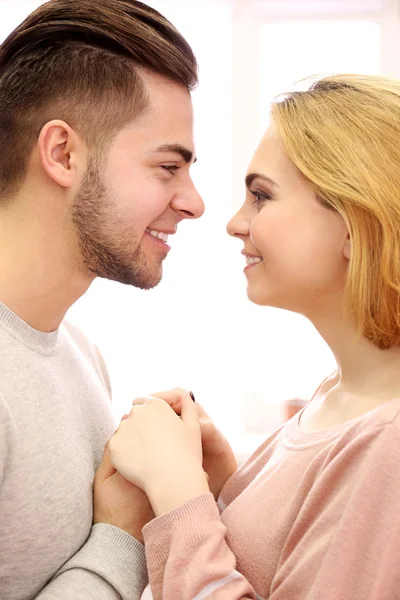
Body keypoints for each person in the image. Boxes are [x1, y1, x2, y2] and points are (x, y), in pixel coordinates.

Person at [109, 74, 400, 600]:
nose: (235, 223)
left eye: (261, 196)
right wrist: (226, 487)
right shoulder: (339, 395)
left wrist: (178, 495)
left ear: (358, 225)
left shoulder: (389, 444)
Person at [0, 0, 204, 597]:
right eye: (168, 166)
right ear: (63, 154)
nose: (194, 202)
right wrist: (123, 537)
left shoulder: (81, 353)